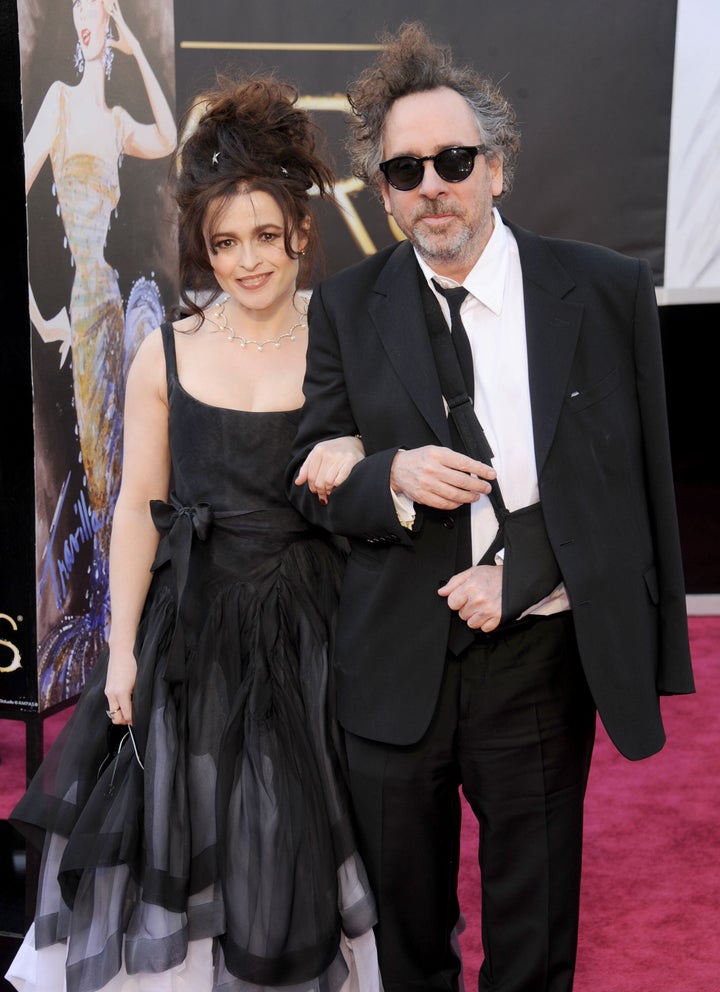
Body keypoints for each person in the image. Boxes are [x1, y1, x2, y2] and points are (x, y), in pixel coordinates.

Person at [287, 21, 695, 992]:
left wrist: (534, 563)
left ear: (497, 167)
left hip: (537, 660)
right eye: (405, 170)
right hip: (391, 661)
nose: (432, 184)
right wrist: (385, 475)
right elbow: (313, 480)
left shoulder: (601, 291)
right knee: (408, 933)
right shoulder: (343, 305)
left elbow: (630, 484)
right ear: (383, 194)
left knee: (536, 926)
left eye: (454, 160)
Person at [7, 73, 381, 992]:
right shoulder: (163, 348)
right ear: (202, 247)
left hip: (314, 628)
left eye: (264, 236)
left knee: (290, 829)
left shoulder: (345, 338)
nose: (247, 261)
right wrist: (123, 652)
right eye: (224, 243)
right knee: (195, 812)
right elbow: (139, 502)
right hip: (194, 623)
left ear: (300, 230)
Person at [25, 0, 177, 706]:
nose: (88, 28)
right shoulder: (55, 102)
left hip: (113, 302)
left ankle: (124, 636)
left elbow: (170, 137)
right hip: (82, 303)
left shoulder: (115, 121)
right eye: (81, 18)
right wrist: (37, 313)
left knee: (126, 468)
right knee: (94, 468)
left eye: (100, 19)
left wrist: (137, 52)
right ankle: (101, 644)